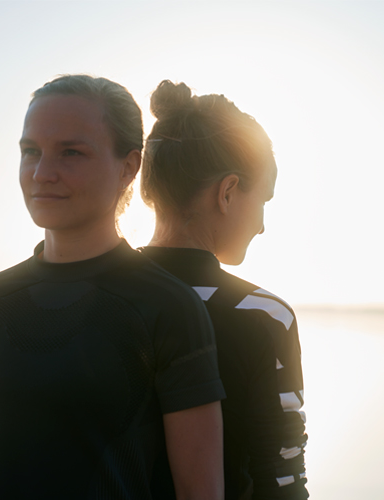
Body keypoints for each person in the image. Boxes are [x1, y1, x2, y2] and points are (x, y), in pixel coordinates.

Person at [0, 75, 227, 500]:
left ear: (128, 166)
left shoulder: (167, 308)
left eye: (70, 152)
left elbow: (199, 493)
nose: (42, 173)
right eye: (30, 151)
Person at [139, 80, 309, 500]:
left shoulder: (99, 293)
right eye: (263, 201)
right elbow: (281, 479)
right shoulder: (261, 316)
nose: (262, 225)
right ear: (228, 192)